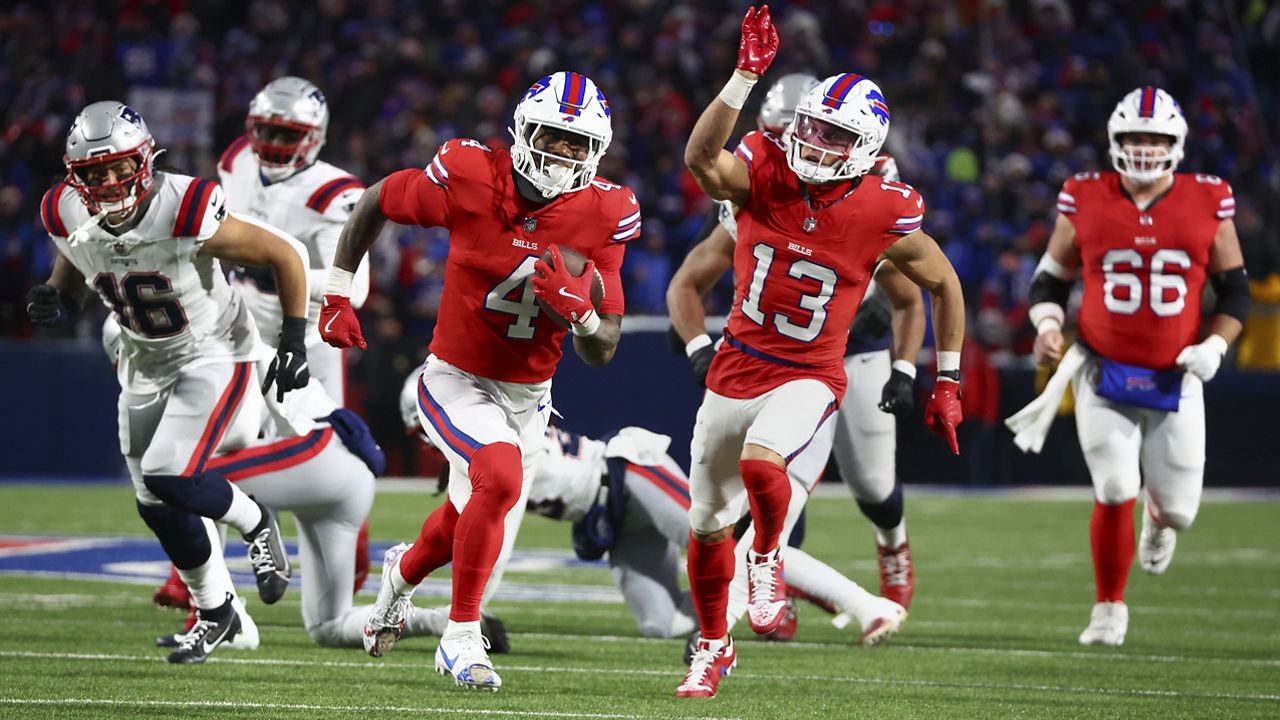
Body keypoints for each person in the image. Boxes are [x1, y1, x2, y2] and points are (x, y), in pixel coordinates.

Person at [676, 5, 966, 698]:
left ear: (866, 146)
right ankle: (713, 648)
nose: (813, 142)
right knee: (708, 527)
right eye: (810, 127)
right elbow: (699, 161)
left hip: (813, 371)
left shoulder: (881, 208)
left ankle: (771, 559)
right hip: (737, 365)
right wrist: (746, 73)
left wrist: (941, 377)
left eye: (835, 135)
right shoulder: (764, 168)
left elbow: (941, 284)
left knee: (764, 462)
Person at [317, 71, 639, 691]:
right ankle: (461, 636)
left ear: (596, 151)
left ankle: (398, 579)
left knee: (469, 509)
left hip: (530, 395)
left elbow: (603, 349)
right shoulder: (470, 173)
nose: (564, 154)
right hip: (455, 377)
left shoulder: (607, 210)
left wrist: (585, 313)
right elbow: (378, 198)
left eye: (578, 144)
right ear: (523, 130)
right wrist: (337, 290)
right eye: (554, 136)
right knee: (500, 475)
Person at [26, 101, 309, 663]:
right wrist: (57, 291)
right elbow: (78, 260)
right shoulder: (62, 211)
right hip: (142, 359)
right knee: (153, 502)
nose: (108, 182)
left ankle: (257, 523)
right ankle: (217, 612)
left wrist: (295, 341)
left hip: (213, 351)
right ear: (73, 176)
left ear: (145, 160)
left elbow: (285, 254)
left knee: (169, 473)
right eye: (94, 173)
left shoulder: (184, 207)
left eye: (118, 168)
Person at [668, 69, 924, 611]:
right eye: (791, 131)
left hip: (853, 353)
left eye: (825, 135)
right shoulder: (756, 188)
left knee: (874, 486)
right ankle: (760, 599)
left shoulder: (870, 200)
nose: (804, 147)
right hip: (778, 364)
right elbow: (689, 281)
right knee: (777, 481)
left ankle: (892, 543)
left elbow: (913, 296)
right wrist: (696, 344)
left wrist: (907, 370)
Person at [1008, 86, 1248, 647]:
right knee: (1115, 485)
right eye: (1135, 138)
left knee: (1181, 514)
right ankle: (1109, 608)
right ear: (1115, 141)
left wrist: (1214, 347)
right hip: (1102, 367)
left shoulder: (1209, 197)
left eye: (1156, 138)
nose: (1144, 148)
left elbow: (1235, 292)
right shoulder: (1083, 195)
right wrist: (1047, 323)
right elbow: (1050, 279)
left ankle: (1159, 520)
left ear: (1177, 143)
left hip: (1177, 373)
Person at [151, 75, 375, 611]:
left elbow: (357, 289)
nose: (271, 145)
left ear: (314, 136)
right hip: (243, 319)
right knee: (222, 440)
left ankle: (350, 561)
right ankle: (194, 577)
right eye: (265, 131)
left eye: (285, 134)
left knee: (330, 451)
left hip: (309, 329)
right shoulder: (237, 160)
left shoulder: (337, 193)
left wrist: (285, 272)